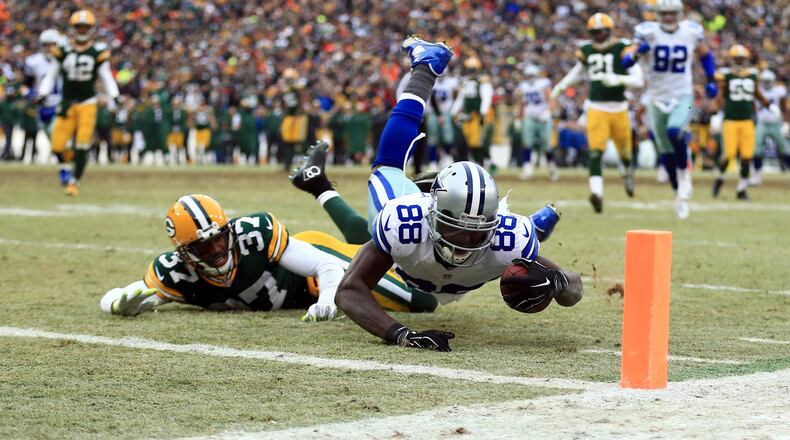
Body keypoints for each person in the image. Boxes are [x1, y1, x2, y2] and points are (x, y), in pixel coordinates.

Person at [295, 37, 582, 352]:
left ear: (493, 223)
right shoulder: (406, 223)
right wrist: (402, 334)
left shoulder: (507, 238)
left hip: (448, 269)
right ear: (432, 209)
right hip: (413, 267)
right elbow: (349, 291)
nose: (463, 240)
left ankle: (536, 228)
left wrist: (557, 284)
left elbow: (573, 290)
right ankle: (425, 68)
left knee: (519, 248)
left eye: (476, 232)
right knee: (388, 164)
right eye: (455, 226)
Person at [100, 194, 437, 319]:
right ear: (185, 253)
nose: (217, 250)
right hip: (303, 291)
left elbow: (326, 265)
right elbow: (120, 296)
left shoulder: (255, 232)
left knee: (422, 300)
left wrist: (331, 300)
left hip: (312, 265)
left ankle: (330, 192)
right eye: (204, 248)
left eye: (219, 239)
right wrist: (119, 305)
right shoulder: (173, 272)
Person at [622, 0, 719, 219]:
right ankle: (678, 193)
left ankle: (685, 177)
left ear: (679, 13)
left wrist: (711, 78)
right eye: (664, 13)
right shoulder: (647, 31)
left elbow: (705, 55)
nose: (667, 18)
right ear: (658, 14)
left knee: (675, 132)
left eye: (671, 13)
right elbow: (627, 57)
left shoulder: (691, 31)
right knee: (665, 149)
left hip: (683, 94)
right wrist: (634, 55)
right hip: (656, 96)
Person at [551, 13, 644, 213]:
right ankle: (597, 193)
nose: (599, 36)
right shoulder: (586, 50)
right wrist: (562, 85)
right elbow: (579, 72)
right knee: (595, 152)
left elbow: (638, 80)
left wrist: (618, 79)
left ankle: (627, 178)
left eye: (602, 32)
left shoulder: (622, 48)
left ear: (610, 31)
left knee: (626, 154)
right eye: (595, 32)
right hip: (596, 107)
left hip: (619, 108)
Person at [37, 10, 119, 196]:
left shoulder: (97, 50)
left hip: (87, 103)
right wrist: (43, 92)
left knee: (83, 144)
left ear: (91, 29)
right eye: (79, 26)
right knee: (57, 145)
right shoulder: (63, 49)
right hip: (66, 102)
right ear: (73, 28)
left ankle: (75, 181)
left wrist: (114, 96)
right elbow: (52, 74)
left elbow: (105, 76)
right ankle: (66, 168)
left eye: (85, 27)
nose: (82, 30)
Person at [711, 45, 777, 200]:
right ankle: (719, 179)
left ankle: (741, 189)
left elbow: (757, 94)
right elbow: (720, 96)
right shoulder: (725, 75)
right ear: (732, 59)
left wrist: (769, 105)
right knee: (729, 155)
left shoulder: (752, 74)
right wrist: (716, 112)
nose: (740, 62)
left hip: (747, 120)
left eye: (742, 59)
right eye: (737, 59)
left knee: (747, 157)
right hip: (731, 120)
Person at [21, 29, 61, 161]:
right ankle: (62, 159)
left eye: (52, 44)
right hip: (42, 105)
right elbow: (24, 86)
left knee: (54, 132)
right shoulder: (34, 61)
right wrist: (31, 94)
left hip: (60, 103)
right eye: (46, 44)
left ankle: (65, 158)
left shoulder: (64, 60)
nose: (49, 48)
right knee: (49, 134)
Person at [517, 64, 557, 181]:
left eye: (531, 75)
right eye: (528, 75)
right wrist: (519, 117)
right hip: (529, 117)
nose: (529, 77)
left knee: (546, 144)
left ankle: (552, 168)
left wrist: (548, 112)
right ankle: (527, 169)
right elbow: (521, 103)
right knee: (527, 143)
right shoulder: (523, 86)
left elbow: (550, 99)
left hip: (543, 117)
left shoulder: (543, 83)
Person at [752, 69, 788, 184]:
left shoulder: (779, 91)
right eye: (765, 81)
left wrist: (787, 122)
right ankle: (757, 175)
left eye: (769, 81)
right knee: (756, 150)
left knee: (784, 148)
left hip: (776, 123)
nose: (767, 83)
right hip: (761, 122)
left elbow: (784, 108)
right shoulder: (757, 91)